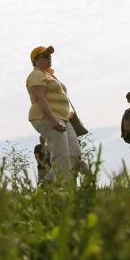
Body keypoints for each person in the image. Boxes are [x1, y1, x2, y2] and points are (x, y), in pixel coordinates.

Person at [26, 45, 83, 185]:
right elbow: (39, 98)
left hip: (63, 118)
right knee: (61, 156)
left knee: (74, 154)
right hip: (47, 118)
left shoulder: (49, 75)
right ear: (35, 60)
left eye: (49, 56)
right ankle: (66, 192)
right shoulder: (36, 75)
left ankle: (47, 184)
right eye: (44, 56)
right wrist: (53, 120)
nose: (48, 58)